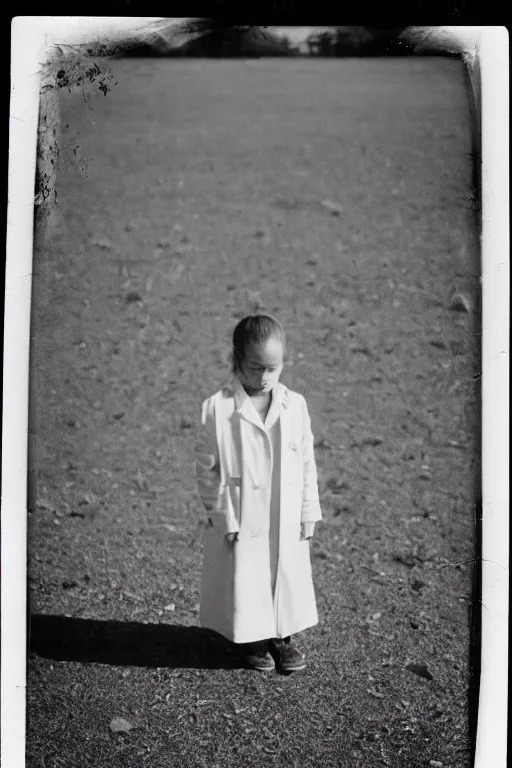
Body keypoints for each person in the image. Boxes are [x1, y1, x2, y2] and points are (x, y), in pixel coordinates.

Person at [194, 314, 322, 673]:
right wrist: (224, 516)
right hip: (242, 512)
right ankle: (252, 638)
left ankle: (282, 639)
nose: (264, 377)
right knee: (248, 575)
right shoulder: (218, 408)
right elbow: (207, 470)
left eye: (273, 368)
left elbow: (308, 462)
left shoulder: (295, 405)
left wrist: (308, 511)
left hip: (284, 509)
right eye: (255, 367)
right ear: (236, 361)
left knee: (283, 574)